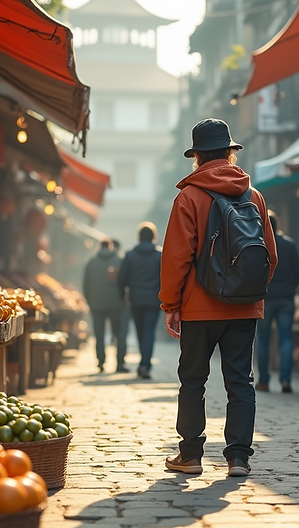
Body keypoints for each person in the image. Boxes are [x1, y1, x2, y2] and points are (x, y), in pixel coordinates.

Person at [160, 118, 277, 477]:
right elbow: (269, 255)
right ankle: (238, 457)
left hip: (198, 308)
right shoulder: (253, 195)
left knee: (193, 380)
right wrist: (249, 292)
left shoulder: (189, 197)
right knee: (240, 381)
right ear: (230, 152)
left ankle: (191, 455)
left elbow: (177, 256)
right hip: (244, 308)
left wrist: (171, 304)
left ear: (197, 156)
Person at [255, 210, 299, 393]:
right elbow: (298, 271)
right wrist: (290, 286)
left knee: (263, 340)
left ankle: (264, 381)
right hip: (285, 298)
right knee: (286, 338)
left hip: (265, 298)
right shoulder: (289, 244)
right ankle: (285, 380)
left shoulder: (258, 245)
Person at [117, 222, 163, 380]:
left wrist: (122, 294)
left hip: (135, 299)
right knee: (149, 332)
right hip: (154, 299)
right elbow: (166, 277)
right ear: (153, 237)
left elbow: (121, 278)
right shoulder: (160, 255)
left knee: (140, 331)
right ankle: (145, 365)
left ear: (139, 237)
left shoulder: (130, 255)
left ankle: (143, 364)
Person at [83, 239, 127, 373]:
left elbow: (85, 285)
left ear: (100, 247)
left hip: (96, 304)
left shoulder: (91, 262)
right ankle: (120, 362)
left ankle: (101, 361)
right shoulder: (120, 260)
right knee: (119, 333)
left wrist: (90, 301)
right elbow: (124, 281)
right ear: (112, 247)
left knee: (99, 334)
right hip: (116, 303)